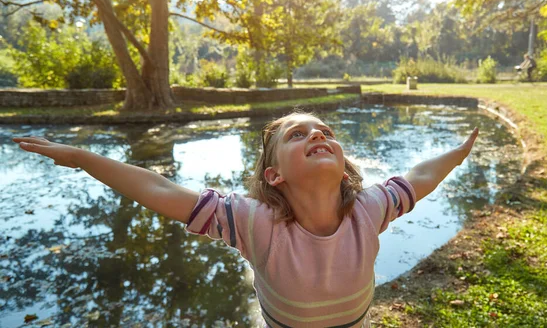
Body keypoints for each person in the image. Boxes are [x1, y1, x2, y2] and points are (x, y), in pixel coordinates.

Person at [13, 111, 479, 328]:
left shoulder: (369, 208)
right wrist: (83, 157)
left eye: (326, 132)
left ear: (341, 159)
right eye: (298, 135)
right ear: (274, 175)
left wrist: (455, 156)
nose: (318, 133)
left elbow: (419, 176)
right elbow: (159, 188)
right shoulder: (254, 223)